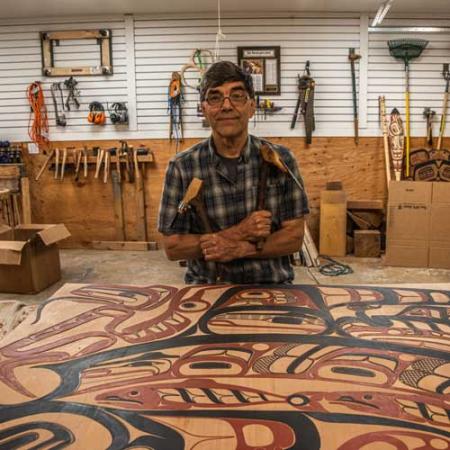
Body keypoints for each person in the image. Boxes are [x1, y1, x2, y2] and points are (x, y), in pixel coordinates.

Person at [158, 60, 309, 284]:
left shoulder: (282, 160)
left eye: (237, 96)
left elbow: (294, 238)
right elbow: (172, 247)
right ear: (203, 108)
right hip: (207, 288)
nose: (226, 106)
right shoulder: (182, 167)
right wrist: (240, 231)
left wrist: (240, 249)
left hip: (271, 286)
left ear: (252, 106)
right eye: (215, 97)